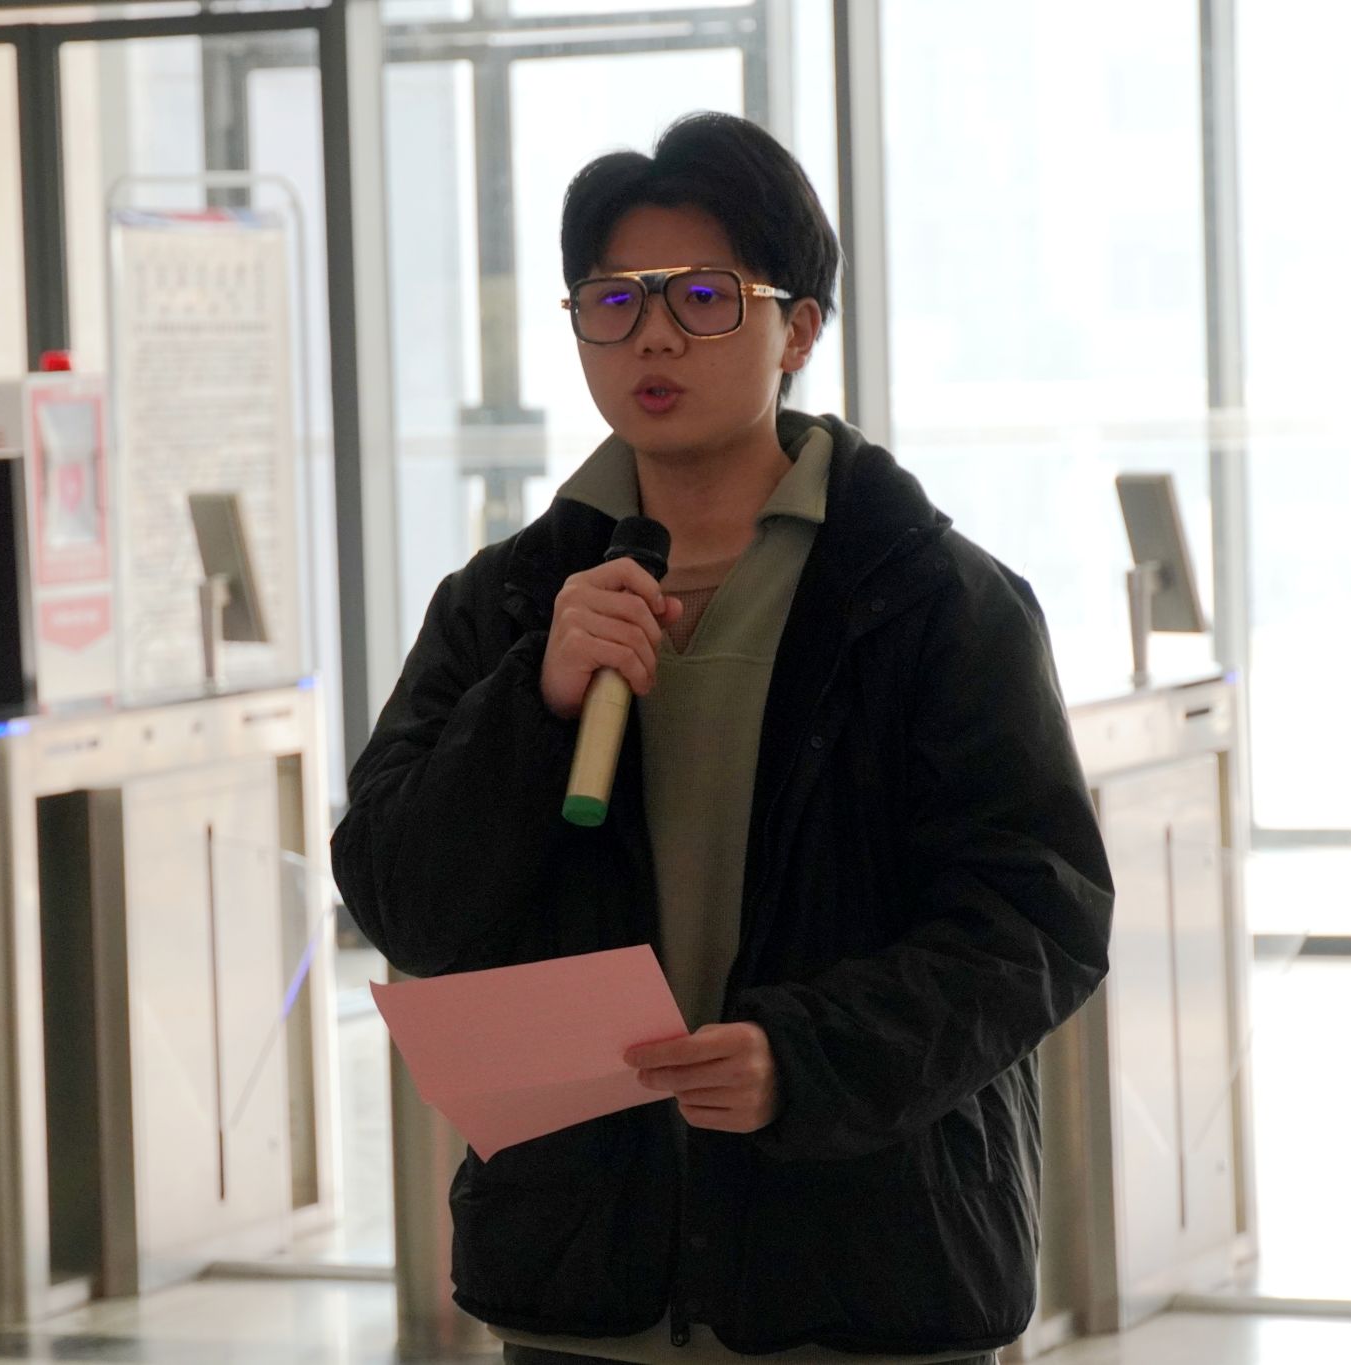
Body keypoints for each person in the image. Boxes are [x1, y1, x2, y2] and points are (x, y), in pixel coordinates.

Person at [331, 111, 1113, 1364]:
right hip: (582, 1278)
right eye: (612, 300)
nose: (651, 335)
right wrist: (530, 705)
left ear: (797, 329)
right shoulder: (507, 603)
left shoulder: (929, 599)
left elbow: (1035, 921)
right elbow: (400, 899)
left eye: (701, 296)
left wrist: (804, 1060)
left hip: (861, 1270)